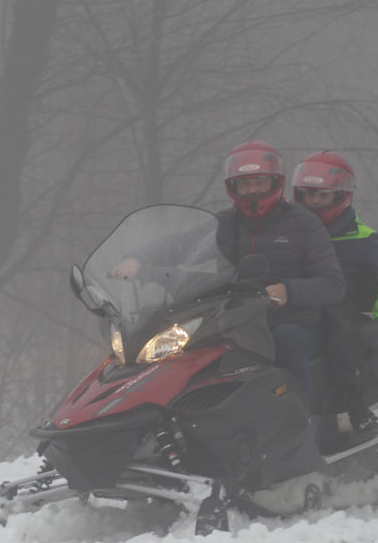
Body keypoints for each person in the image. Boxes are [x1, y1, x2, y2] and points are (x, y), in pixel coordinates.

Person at [112, 141, 345, 398]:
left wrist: (288, 290)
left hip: (293, 321)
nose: (252, 190)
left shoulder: (304, 224)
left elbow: (333, 284)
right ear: (232, 187)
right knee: (188, 349)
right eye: (244, 184)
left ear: (275, 182)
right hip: (234, 320)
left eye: (259, 182)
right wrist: (137, 259)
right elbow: (181, 244)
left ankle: (300, 417)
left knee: (286, 340)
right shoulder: (225, 223)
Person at [293, 151, 378, 433]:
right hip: (297, 307)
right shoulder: (290, 231)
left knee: (339, 338)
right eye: (308, 195)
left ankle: (357, 407)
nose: (314, 202)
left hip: (343, 311)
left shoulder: (362, 237)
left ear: (341, 195)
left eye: (322, 195)